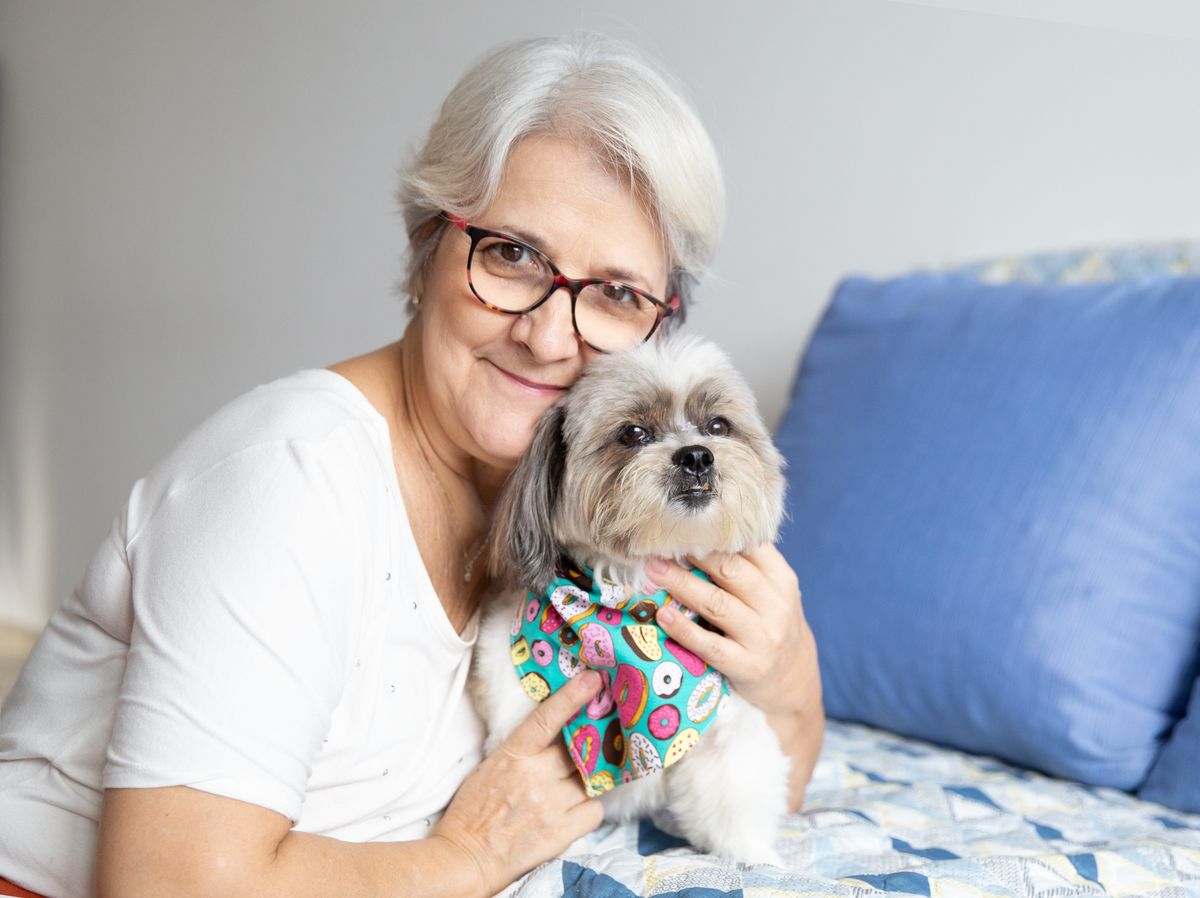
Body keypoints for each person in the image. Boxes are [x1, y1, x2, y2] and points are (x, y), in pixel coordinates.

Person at [0, 33, 824, 898]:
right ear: (428, 243)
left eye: (615, 293)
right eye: (512, 254)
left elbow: (740, 792)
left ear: (662, 325)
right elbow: (167, 887)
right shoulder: (289, 484)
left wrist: (791, 680)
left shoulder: (592, 522)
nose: (547, 335)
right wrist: (466, 858)